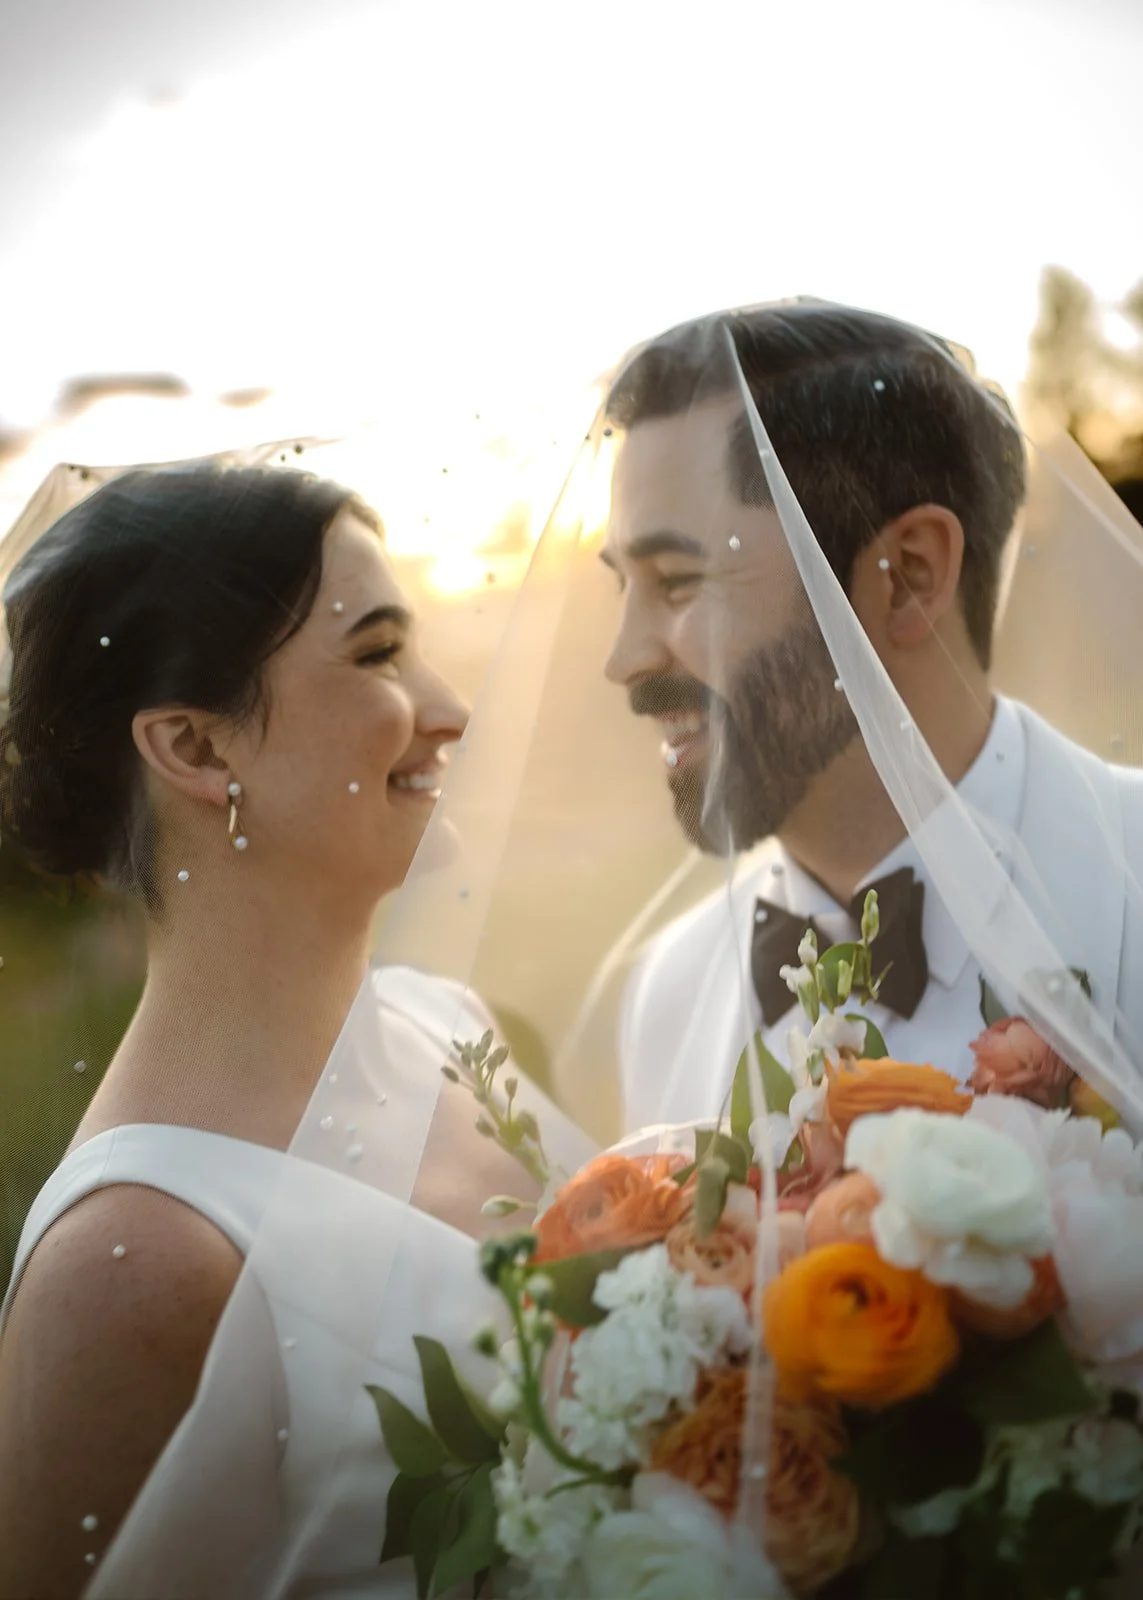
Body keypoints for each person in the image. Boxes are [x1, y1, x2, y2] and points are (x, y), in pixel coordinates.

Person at [0, 461, 593, 1599]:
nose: (451, 708)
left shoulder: (451, 1026)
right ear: (199, 749)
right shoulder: (128, 1265)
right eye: (376, 653)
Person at [601, 302, 1143, 1129]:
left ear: (907, 576)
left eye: (677, 582)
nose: (624, 660)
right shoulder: (666, 995)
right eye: (620, 586)